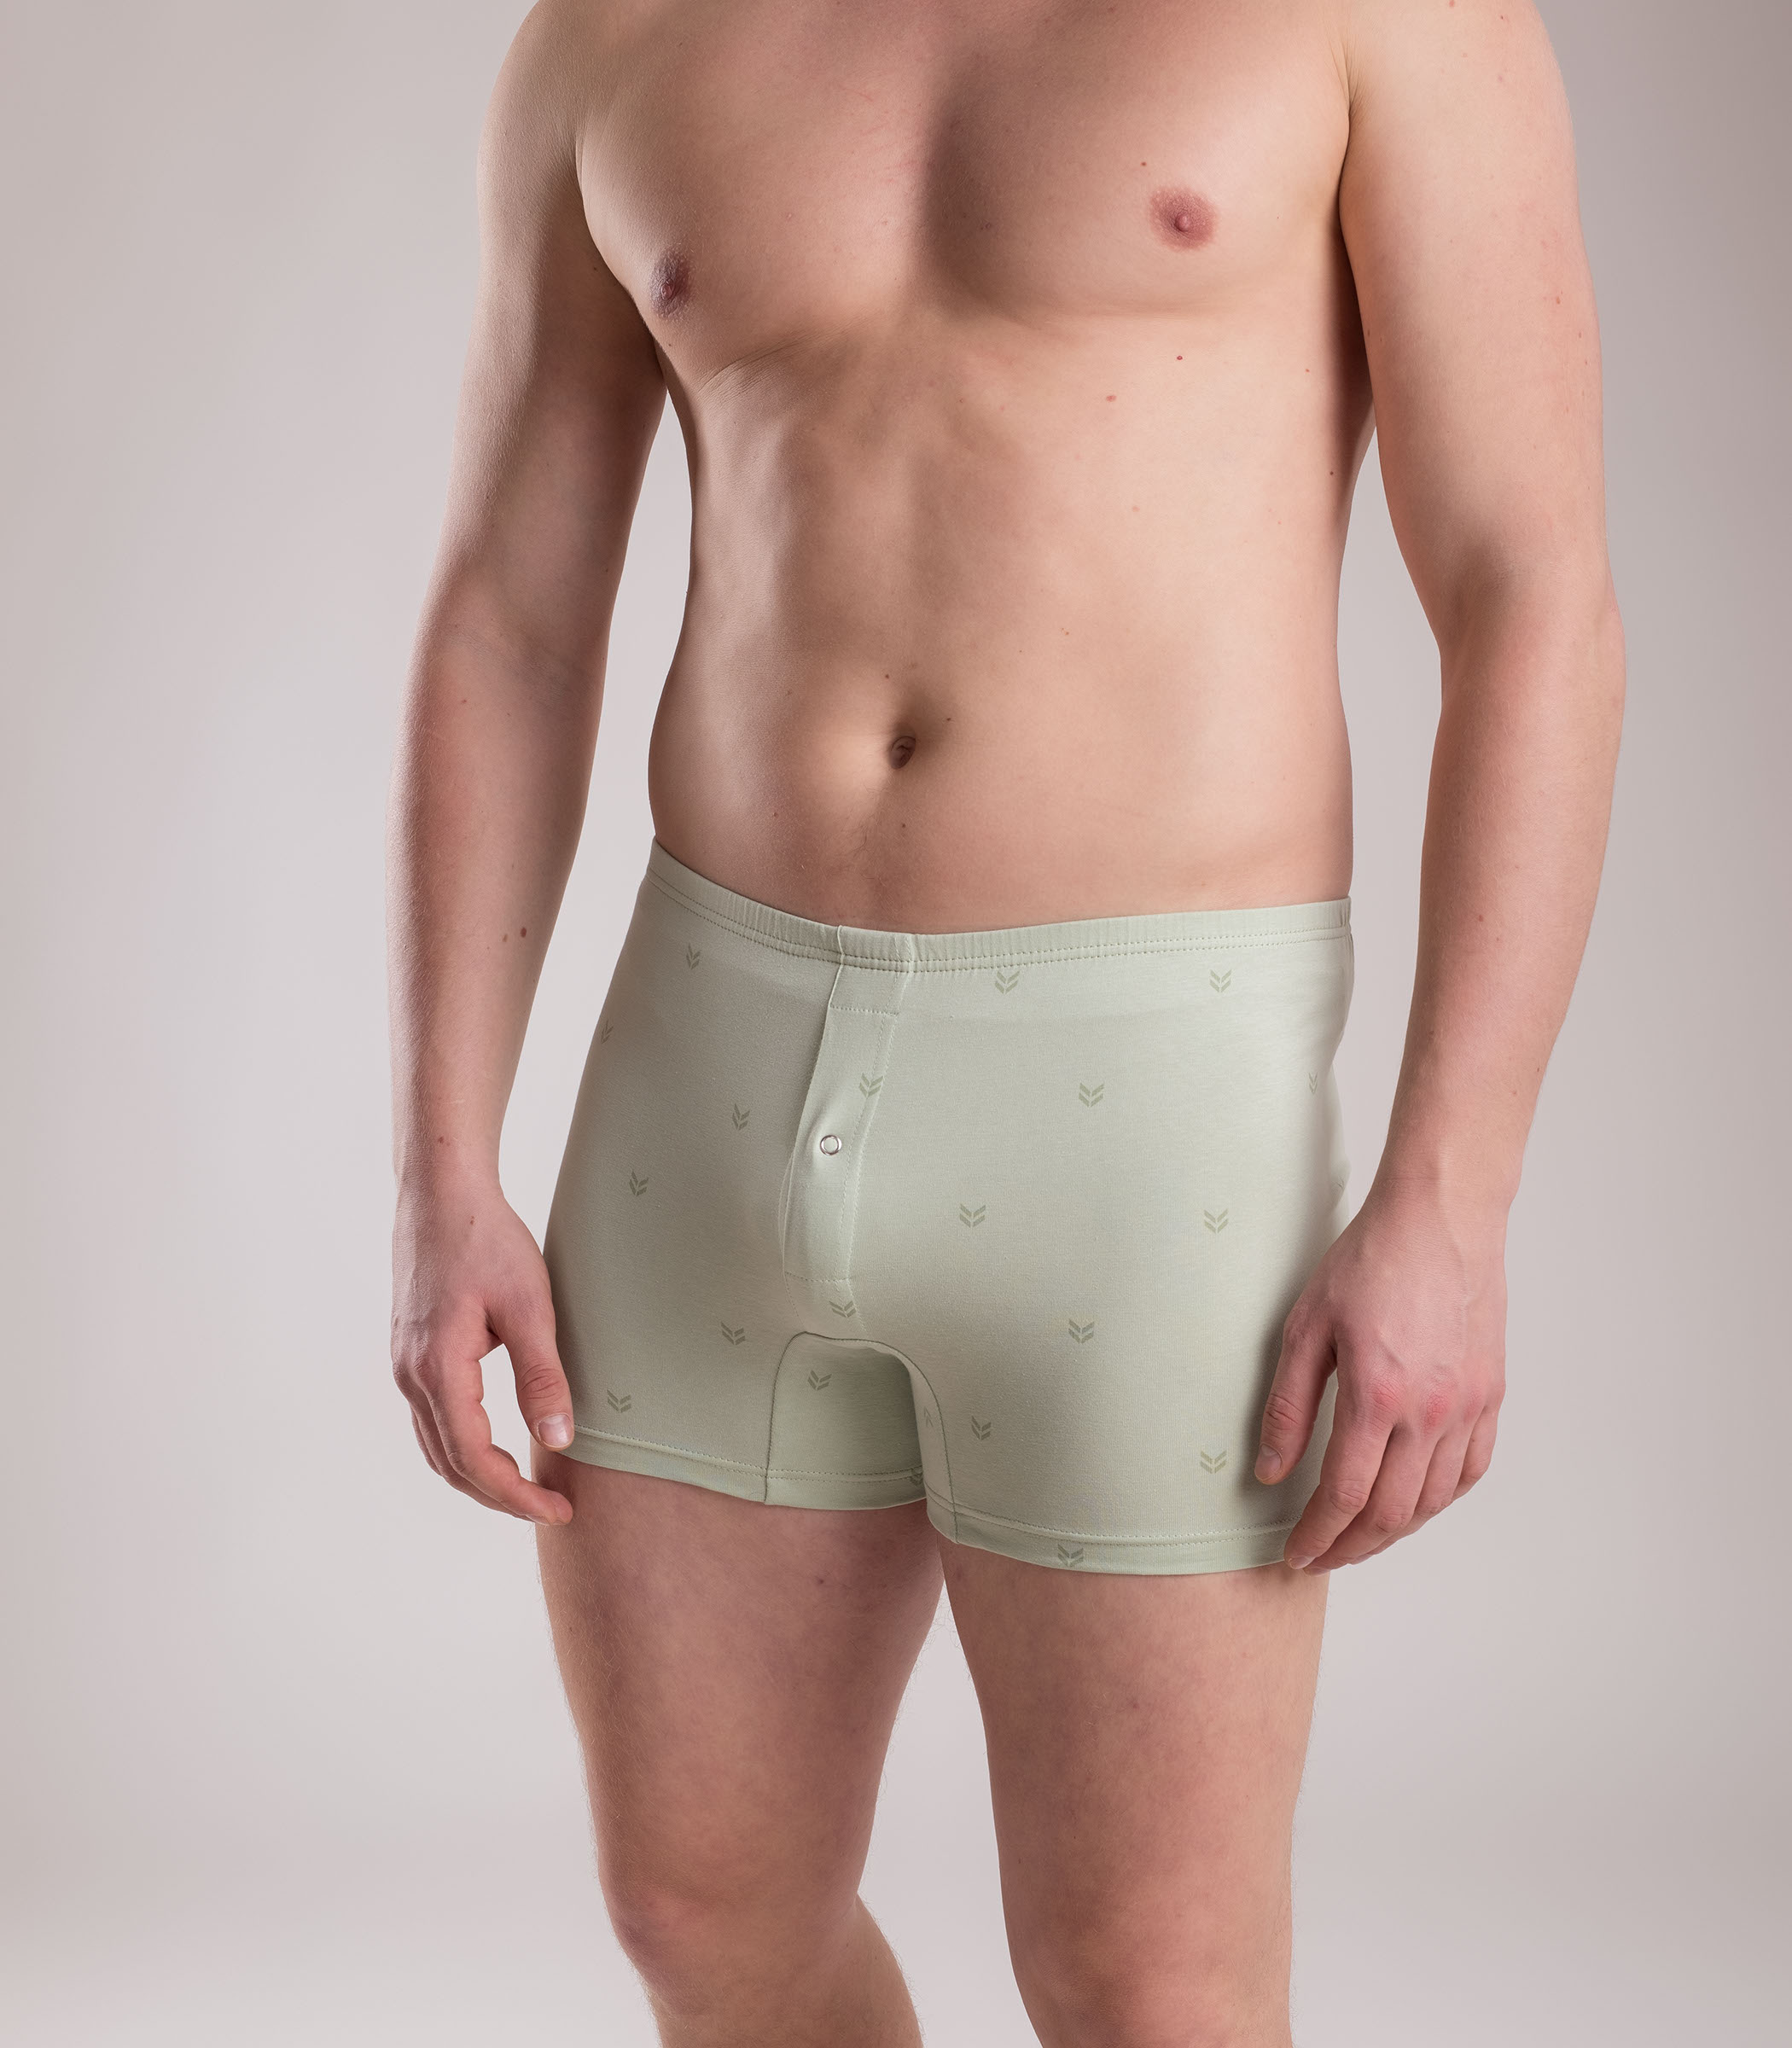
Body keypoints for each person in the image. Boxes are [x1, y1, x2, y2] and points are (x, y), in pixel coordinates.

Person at [385, 0, 1623, 2038]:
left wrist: (1454, 1196)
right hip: (708, 1059)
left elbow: (1531, 591)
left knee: (1152, 1989)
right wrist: (444, 1168)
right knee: (701, 1912)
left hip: (1149, 1101)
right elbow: (509, 614)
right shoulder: (610, 34)